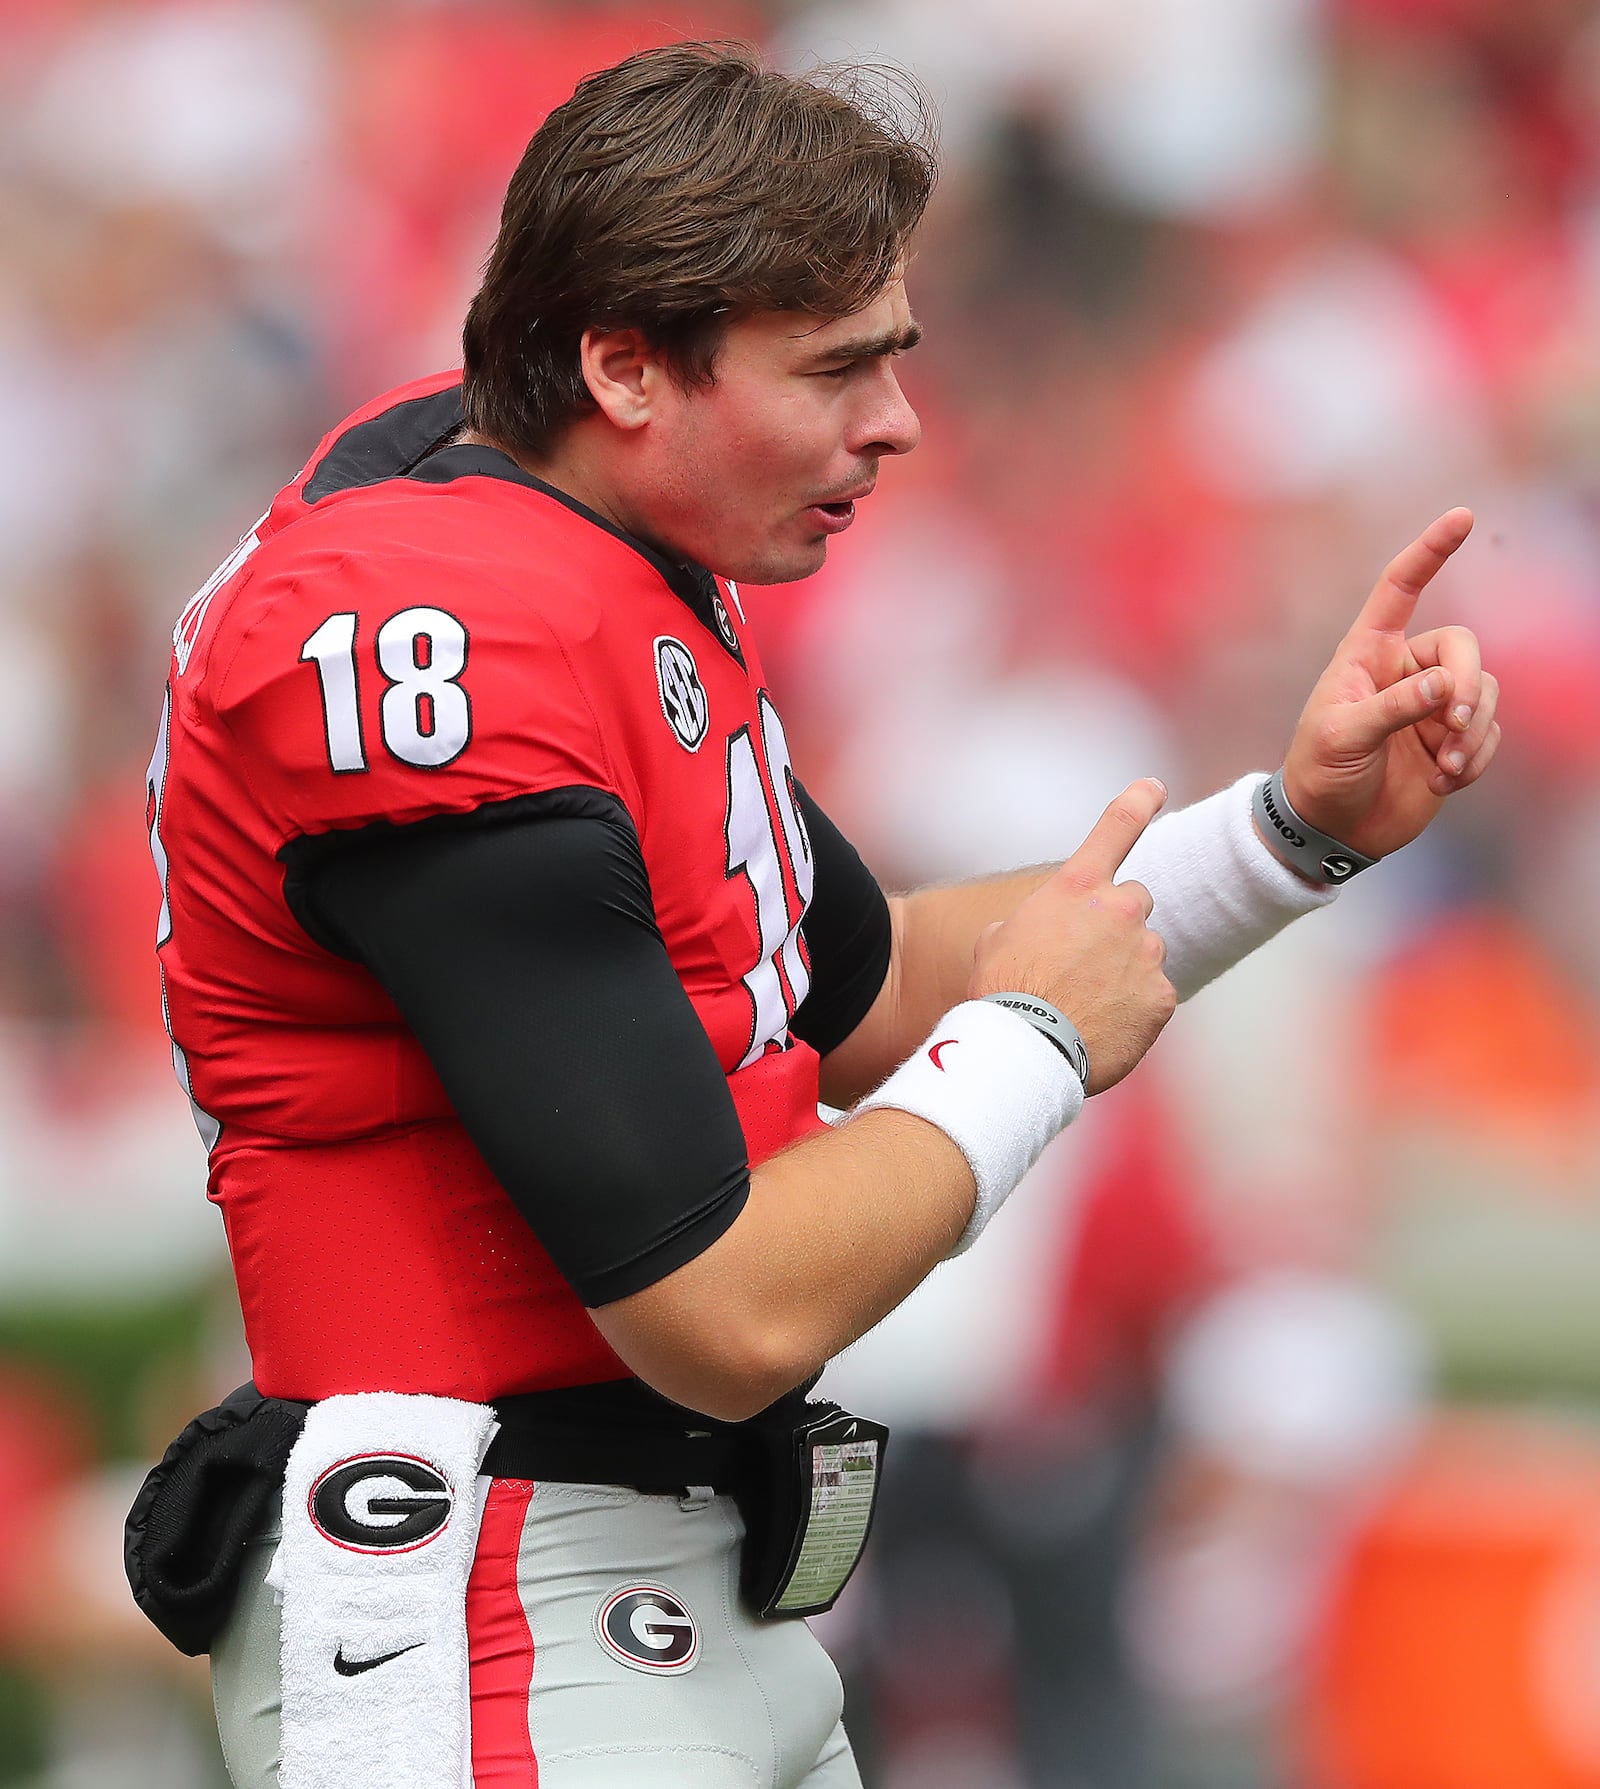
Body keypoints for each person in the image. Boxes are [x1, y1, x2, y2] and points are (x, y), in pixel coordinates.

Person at [133, 40, 1500, 1789]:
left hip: (666, 1595)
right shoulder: (437, 636)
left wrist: (1296, 829)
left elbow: (855, 982)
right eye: (839, 368)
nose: (898, 422)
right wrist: (1032, 1048)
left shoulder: (602, 557)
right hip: (481, 1599)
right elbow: (717, 1304)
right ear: (624, 365)